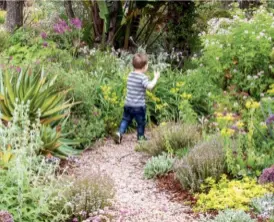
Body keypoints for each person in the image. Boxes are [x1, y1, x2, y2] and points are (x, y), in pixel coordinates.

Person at [114, 53, 160, 144]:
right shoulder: (143, 77)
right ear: (144, 67)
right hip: (139, 106)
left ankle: (119, 133)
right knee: (141, 123)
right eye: (147, 65)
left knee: (125, 120)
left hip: (128, 104)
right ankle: (141, 137)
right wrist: (155, 78)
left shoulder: (130, 75)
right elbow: (150, 87)